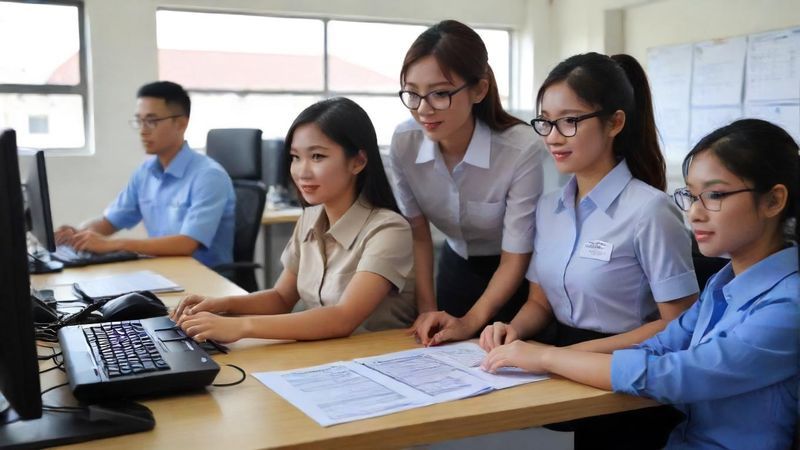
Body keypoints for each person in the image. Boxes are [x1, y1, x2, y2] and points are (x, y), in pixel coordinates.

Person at [483, 119, 800, 450]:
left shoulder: (788, 308)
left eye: (715, 195)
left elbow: (671, 374)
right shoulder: (722, 284)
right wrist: (532, 356)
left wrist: (548, 358)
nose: (694, 213)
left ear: (773, 201)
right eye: (690, 196)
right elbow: (658, 347)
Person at [479, 52, 699, 449]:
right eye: (546, 120)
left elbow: (680, 325)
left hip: (629, 380)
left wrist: (566, 354)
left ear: (615, 122)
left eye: (570, 120)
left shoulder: (650, 210)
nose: (552, 136)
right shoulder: (550, 207)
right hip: (566, 370)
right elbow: (539, 302)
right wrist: (515, 331)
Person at [172, 97, 416, 343]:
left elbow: (343, 318)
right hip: (325, 357)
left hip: (378, 361)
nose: (302, 171)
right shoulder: (310, 218)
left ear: (358, 162)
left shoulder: (389, 230)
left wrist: (240, 326)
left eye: (318, 156)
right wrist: (220, 305)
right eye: (295, 157)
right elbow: (281, 297)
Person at [390, 20, 546, 346]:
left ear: (478, 89)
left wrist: (470, 322)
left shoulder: (520, 149)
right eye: (413, 94)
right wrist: (427, 310)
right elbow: (418, 234)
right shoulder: (404, 142)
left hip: (515, 279)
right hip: (455, 267)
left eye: (440, 94)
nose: (423, 109)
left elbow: (515, 255)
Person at [54, 81, 235, 268]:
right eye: (139, 121)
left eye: (152, 121)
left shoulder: (209, 176)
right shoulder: (145, 173)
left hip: (207, 281)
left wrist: (113, 244)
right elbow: (108, 222)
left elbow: (186, 244)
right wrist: (78, 234)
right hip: (164, 272)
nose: (142, 130)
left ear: (181, 123)